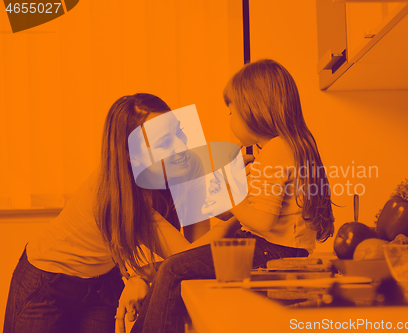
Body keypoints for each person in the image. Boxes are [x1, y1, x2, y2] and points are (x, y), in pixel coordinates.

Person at [3, 93, 237, 333]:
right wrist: (240, 217)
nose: (180, 146)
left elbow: (196, 257)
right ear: (132, 154)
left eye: (178, 131)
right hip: (48, 282)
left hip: (102, 283)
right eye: (164, 142)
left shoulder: (181, 171)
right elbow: (187, 257)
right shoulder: (113, 194)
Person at [130, 59, 335, 333]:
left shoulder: (276, 150)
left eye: (231, 112)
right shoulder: (287, 147)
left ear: (253, 110)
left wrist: (229, 190)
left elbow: (260, 222)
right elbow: (237, 213)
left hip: (272, 252)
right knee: (169, 268)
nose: (230, 120)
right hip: (279, 249)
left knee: (172, 269)